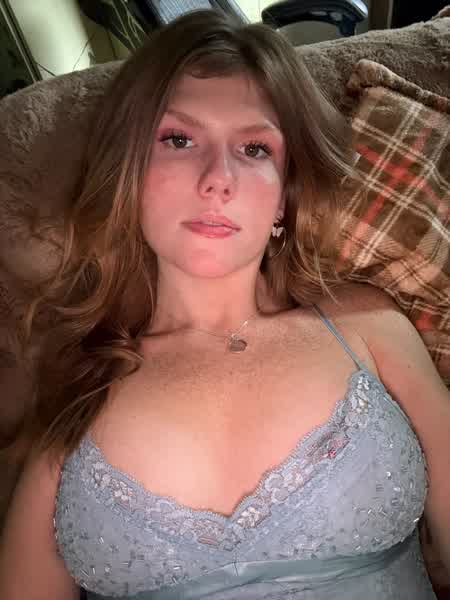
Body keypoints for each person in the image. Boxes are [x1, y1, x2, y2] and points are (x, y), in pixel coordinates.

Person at [0, 8, 449, 600]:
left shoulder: (368, 326)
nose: (218, 178)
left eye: (255, 148)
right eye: (179, 139)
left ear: (285, 196)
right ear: (129, 176)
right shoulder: (73, 383)